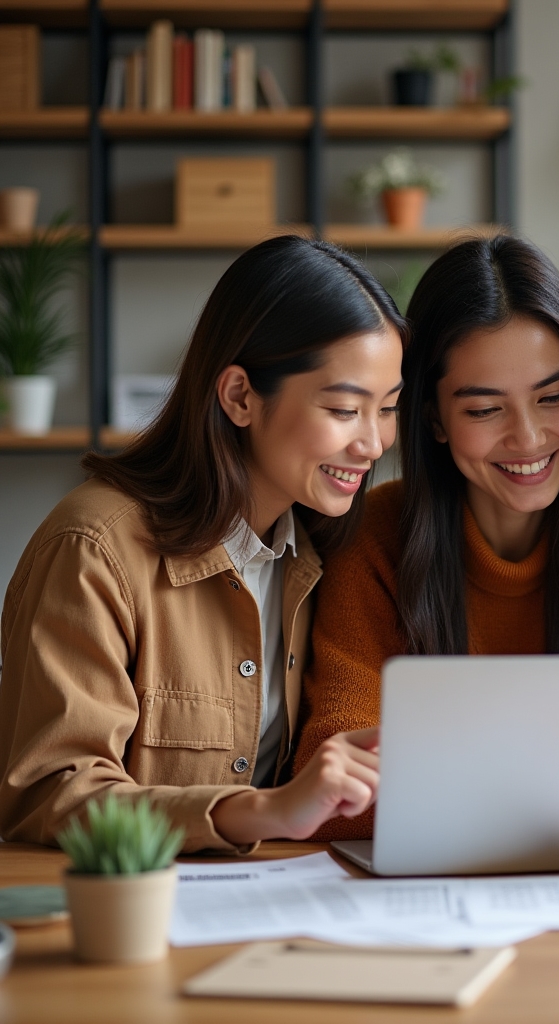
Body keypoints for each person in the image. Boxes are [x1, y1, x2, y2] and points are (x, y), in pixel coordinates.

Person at [0, 236, 405, 852]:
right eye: (346, 410)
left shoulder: (320, 552)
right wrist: (264, 811)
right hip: (131, 903)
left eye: (389, 409)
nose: (373, 444)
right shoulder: (94, 549)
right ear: (240, 396)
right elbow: (51, 792)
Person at [293, 235, 559, 841]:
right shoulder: (370, 536)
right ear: (434, 418)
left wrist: (433, 783)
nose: (528, 438)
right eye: (484, 410)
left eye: (553, 397)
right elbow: (338, 791)